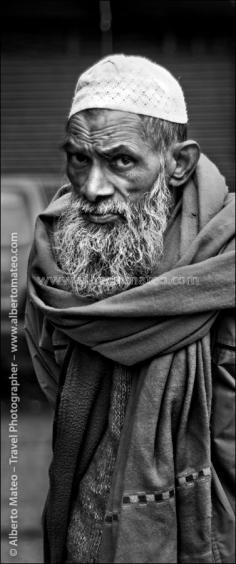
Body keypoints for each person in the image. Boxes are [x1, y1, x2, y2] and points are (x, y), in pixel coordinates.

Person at [25, 54, 235, 564]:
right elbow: (50, 372)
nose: (93, 189)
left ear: (178, 163)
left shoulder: (223, 263)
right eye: (79, 159)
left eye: (121, 161)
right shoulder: (54, 261)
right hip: (84, 528)